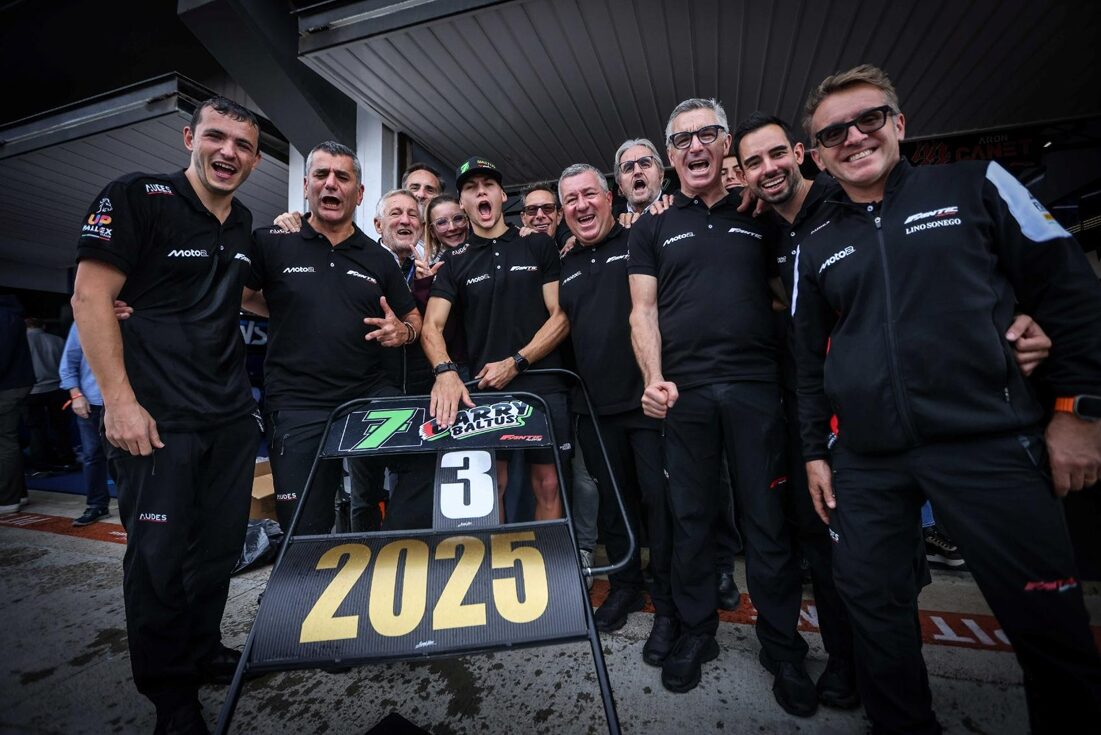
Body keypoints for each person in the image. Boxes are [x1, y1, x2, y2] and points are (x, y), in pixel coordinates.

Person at [793, 64, 1101, 733]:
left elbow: (1071, 290)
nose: (853, 137)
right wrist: (815, 450)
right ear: (817, 155)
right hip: (867, 461)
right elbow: (807, 361)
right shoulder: (814, 244)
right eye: (833, 132)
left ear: (899, 124)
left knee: (1048, 624)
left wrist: (1079, 411)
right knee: (874, 614)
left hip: (988, 442)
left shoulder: (977, 182)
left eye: (868, 119)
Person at [71, 96, 264, 733]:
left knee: (216, 552)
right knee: (157, 561)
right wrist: (119, 403)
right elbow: (89, 296)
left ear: (255, 160)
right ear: (189, 138)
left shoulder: (244, 224)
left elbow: (248, 298)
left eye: (242, 145)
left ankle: (202, 651)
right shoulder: (137, 196)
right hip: (157, 421)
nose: (228, 152)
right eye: (216, 137)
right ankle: (170, 696)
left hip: (229, 418)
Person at [628, 98, 806, 700]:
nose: (696, 146)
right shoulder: (651, 226)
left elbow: (789, 296)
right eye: (683, 139)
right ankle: (696, 632)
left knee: (767, 523)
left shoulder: (761, 215)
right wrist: (653, 378)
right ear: (670, 155)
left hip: (757, 389)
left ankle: (782, 647)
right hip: (685, 394)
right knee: (691, 522)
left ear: (726, 144)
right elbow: (643, 311)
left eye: (707, 134)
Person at [245, 143, 425, 535]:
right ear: (306, 185)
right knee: (305, 526)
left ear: (358, 193)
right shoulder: (273, 240)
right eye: (321, 175)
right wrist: (284, 308)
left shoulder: (378, 258)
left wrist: (404, 331)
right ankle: (307, 574)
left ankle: (388, 554)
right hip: (297, 404)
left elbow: (413, 318)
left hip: (365, 398)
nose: (331, 184)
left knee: (423, 461)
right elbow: (240, 295)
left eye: (342, 177)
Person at [557, 163, 675, 656]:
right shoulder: (564, 261)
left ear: (610, 198)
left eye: (589, 194)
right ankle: (626, 586)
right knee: (614, 504)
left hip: (645, 402)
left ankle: (669, 602)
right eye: (570, 200)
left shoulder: (639, 239)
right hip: (593, 407)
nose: (581, 205)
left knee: (660, 506)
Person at [423, 157, 571, 522]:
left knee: (549, 483)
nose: (481, 193)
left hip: (543, 381)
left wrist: (516, 362)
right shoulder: (454, 260)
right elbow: (431, 327)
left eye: (488, 185)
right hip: (486, 387)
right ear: (462, 203)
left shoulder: (537, 245)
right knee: (492, 486)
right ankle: (497, 560)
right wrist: (445, 372)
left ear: (503, 195)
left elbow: (561, 317)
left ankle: (546, 560)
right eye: (471, 189)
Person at [59, 322, 112, 526]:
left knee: (133, 456)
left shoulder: (132, 314)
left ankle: (139, 506)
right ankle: (97, 505)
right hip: (92, 402)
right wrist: (76, 395)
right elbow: (69, 361)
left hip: (129, 402)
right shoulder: (82, 321)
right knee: (92, 456)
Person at [23, 317, 75, 471]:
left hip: (32, 391)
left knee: (36, 428)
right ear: (43, 325)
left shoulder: (22, 342)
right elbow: (66, 365)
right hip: (56, 388)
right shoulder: (56, 340)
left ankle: (40, 465)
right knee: (61, 426)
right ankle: (66, 459)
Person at [0, 295, 34, 514]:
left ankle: (7, 499)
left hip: (7, 386)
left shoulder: (4, 317)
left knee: (5, 442)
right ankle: (17, 494)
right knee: (9, 440)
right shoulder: (12, 316)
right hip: (17, 384)